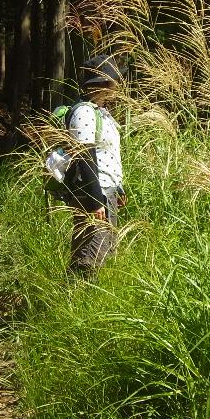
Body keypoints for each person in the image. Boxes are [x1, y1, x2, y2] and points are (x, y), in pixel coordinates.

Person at [64, 54, 125, 274]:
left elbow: (107, 154)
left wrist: (118, 188)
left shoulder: (102, 113)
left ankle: (83, 292)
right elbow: (84, 156)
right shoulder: (84, 112)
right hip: (93, 193)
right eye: (114, 81)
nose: (117, 87)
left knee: (105, 251)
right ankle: (74, 292)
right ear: (103, 84)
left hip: (107, 191)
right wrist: (95, 199)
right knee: (89, 256)